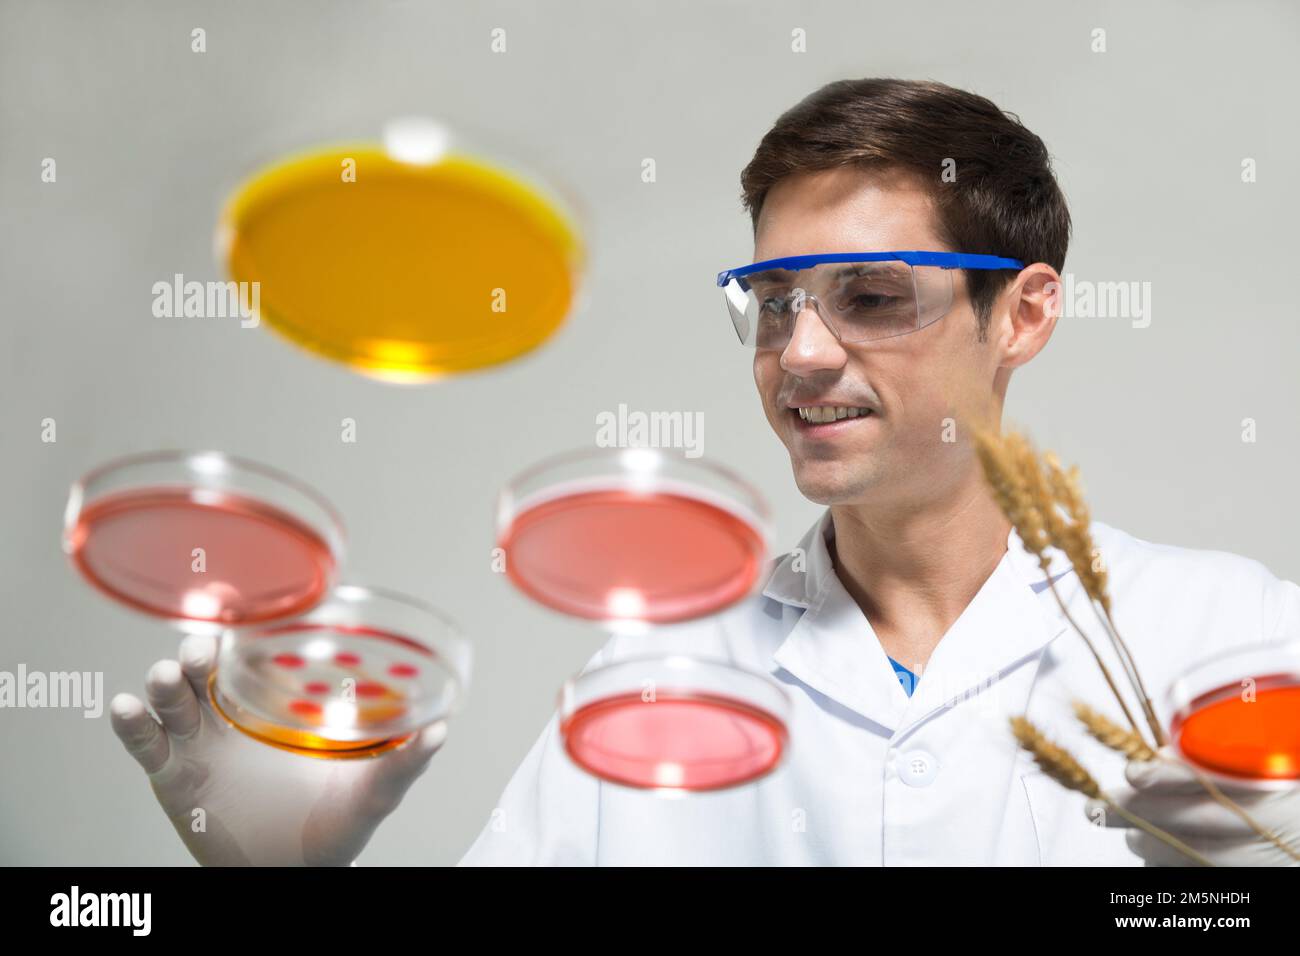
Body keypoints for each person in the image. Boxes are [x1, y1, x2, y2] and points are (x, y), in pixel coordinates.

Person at [110, 78, 1300, 866]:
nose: (803, 351)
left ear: (1023, 313)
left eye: (871, 296)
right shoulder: (653, 671)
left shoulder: (1229, 636)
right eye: (773, 301)